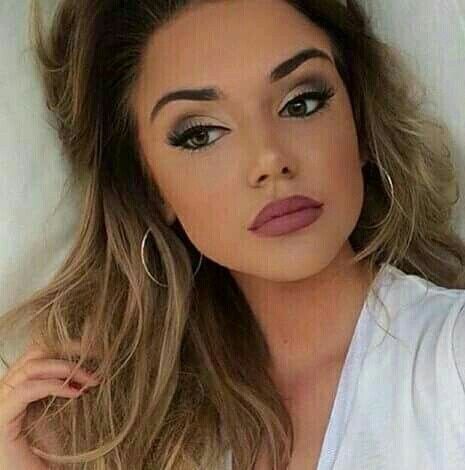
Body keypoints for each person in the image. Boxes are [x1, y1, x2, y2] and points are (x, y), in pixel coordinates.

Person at [0, 0, 464, 469]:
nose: (269, 160)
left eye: (300, 103)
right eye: (201, 134)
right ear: (152, 187)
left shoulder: (450, 359)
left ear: (358, 125)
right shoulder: (136, 435)